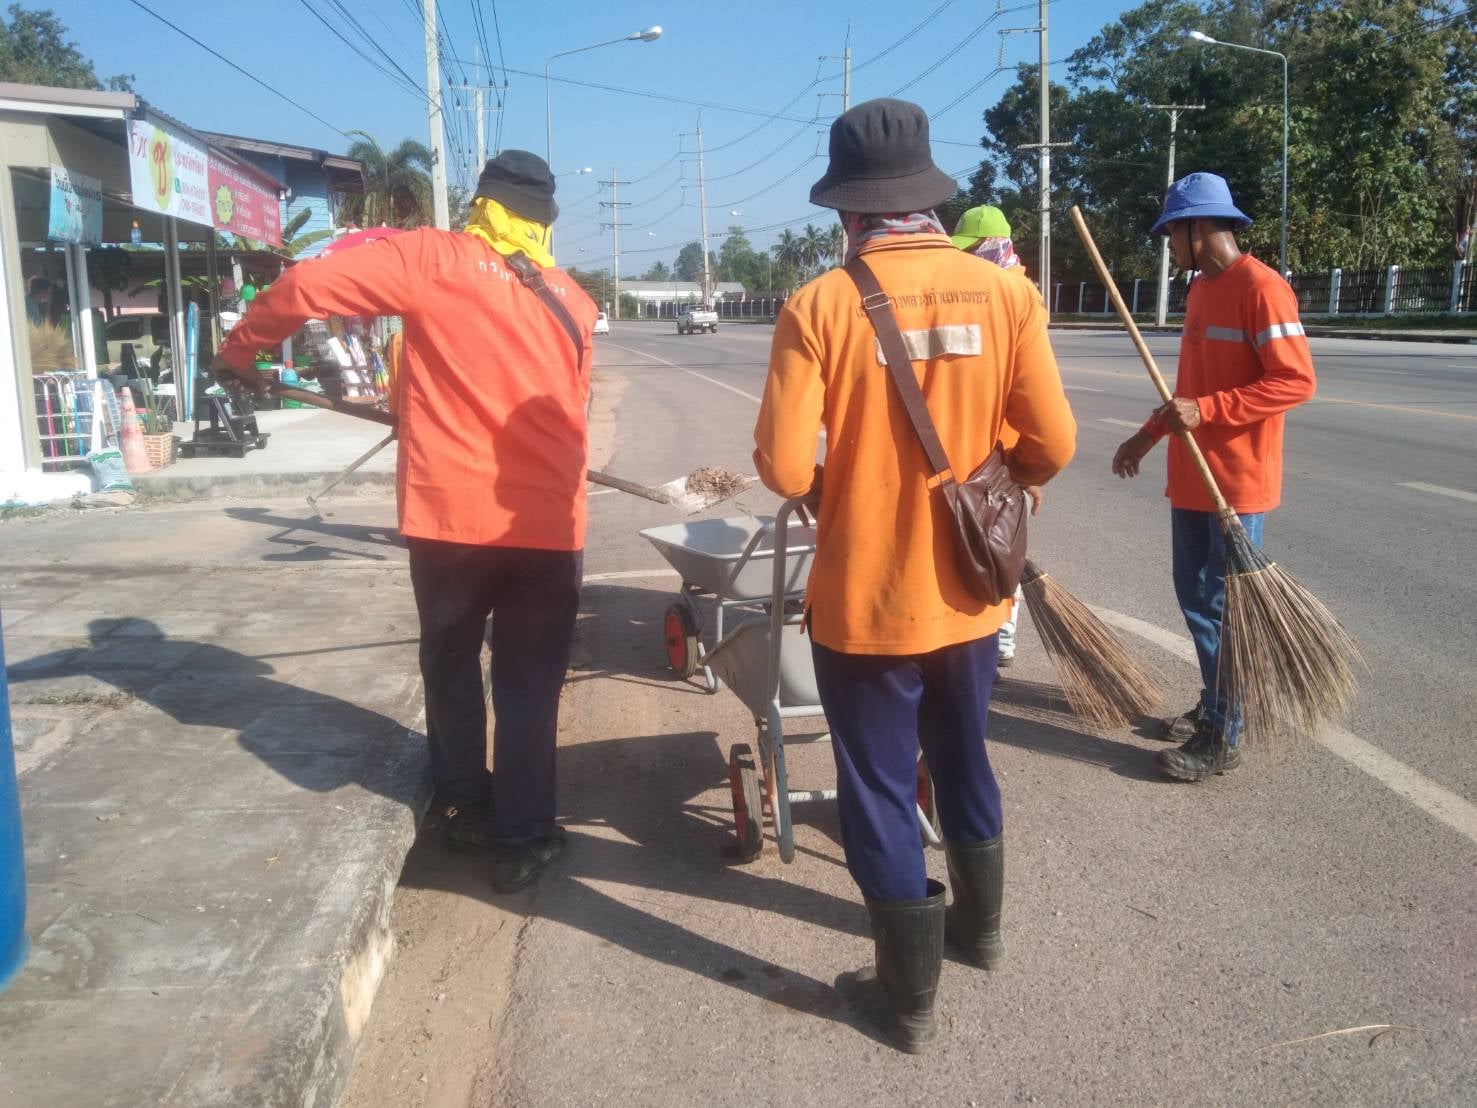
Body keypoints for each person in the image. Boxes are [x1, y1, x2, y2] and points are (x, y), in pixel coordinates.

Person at [753, 99, 1077, 1053]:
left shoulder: (819, 305)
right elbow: (1052, 443)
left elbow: (781, 467)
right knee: (964, 757)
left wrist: (836, 485)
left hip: (865, 604)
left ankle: (907, 1002)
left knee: (880, 788)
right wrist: (999, 486)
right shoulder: (1007, 295)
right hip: (972, 596)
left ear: (848, 208)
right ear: (928, 195)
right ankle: (982, 935)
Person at [213, 151, 598, 893]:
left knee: (451, 663)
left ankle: (464, 808)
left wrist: (239, 352)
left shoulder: (431, 258)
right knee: (528, 683)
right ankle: (522, 839)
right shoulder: (573, 300)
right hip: (548, 523)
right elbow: (569, 407)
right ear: (544, 221)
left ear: (480, 205)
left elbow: (305, 285)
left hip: (451, 521)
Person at [1111, 172, 1316, 782]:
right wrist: (1148, 435)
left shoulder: (1264, 289)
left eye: (1171, 233)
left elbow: (1296, 381)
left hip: (1238, 481)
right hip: (1192, 477)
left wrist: (1208, 411)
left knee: (1223, 611)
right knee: (1197, 601)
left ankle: (1224, 732)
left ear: (1198, 228)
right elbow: (1188, 388)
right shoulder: (1201, 289)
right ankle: (1215, 703)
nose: (1169, 244)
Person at [948, 204, 1044, 666]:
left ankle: (1000, 637)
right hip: (981, 451)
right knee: (986, 547)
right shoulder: (987, 293)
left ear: (991, 247)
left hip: (999, 456)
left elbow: (1028, 394)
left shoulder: (1017, 296)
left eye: (971, 250)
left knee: (998, 546)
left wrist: (1026, 468)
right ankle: (989, 636)